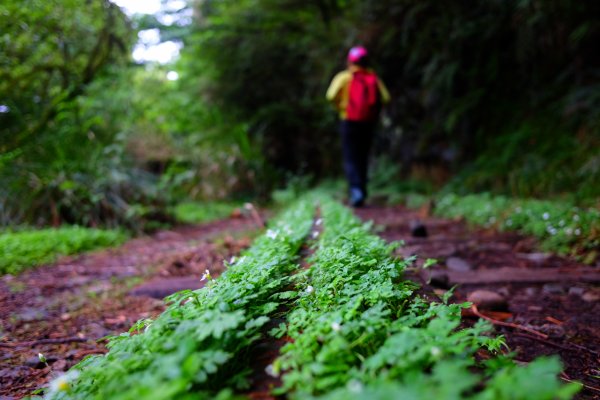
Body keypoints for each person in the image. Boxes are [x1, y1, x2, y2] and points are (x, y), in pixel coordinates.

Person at [326, 46, 390, 207]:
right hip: (368, 122)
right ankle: (362, 188)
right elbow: (386, 98)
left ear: (350, 61)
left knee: (350, 156)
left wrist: (341, 107)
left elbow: (330, 96)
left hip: (348, 120)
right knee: (363, 156)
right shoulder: (373, 78)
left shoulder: (344, 77)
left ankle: (355, 191)